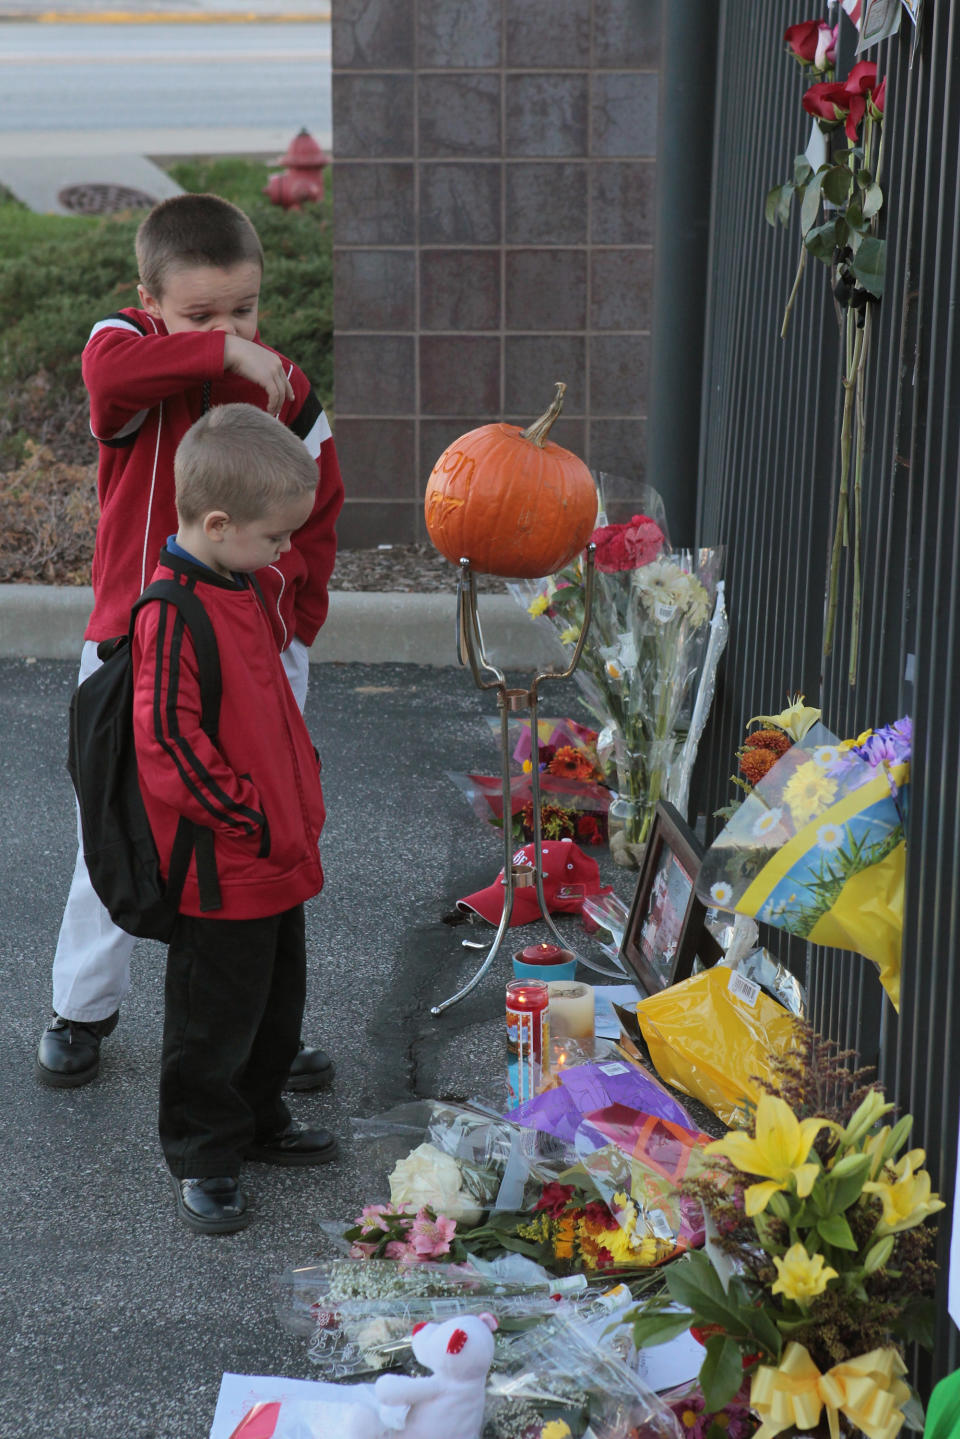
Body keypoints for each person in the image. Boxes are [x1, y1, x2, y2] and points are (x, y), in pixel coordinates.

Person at [36, 192, 344, 1090]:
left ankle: (261, 1038)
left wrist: (291, 627)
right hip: (134, 642)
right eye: (200, 312)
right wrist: (222, 348)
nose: (233, 327)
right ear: (149, 299)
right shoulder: (121, 349)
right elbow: (110, 386)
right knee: (117, 831)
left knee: (263, 840)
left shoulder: (283, 387)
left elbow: (317, 513)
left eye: (244, 308)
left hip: (253, 652)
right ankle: (81, 1008)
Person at [133, 403, 337, 1234]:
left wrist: (293, 801)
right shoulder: (172, 609)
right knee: (211, 1018)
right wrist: (247, 815)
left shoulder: (237, 581)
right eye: (274, 537)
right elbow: (169, 741)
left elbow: (265, 708)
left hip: (274, 851)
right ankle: (205, 1152)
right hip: (225, 861)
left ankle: (258, 1120)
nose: (284, 551)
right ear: (216, 523)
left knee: (274, 1002)